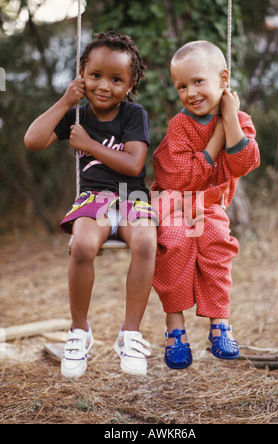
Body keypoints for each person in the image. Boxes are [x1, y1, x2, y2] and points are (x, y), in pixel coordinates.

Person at [24, 31, 158, 378]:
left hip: (132, 196)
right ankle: (78, 332)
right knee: (82, 245)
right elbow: (33, 140)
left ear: (129, 85)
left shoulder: (133, 114)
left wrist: (89, 145)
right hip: (94, 198)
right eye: (96, 75)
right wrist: (65, 103)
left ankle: (130, 334)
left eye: (116, 79)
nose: (104, 86)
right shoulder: (76, 115)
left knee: (146, 242)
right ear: (82, 74)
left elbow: (133, 165)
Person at [151, 40, 260, 369]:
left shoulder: (239, 119)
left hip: (209, 205)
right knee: (174, 245)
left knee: (217, 247)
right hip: (173, 201)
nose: (190, 92)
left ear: (223, 80)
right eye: (181, 86)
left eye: (198, 81)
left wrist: (229, 118)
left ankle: (219, 324)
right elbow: (184, 177)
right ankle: (175, 331)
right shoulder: (180, 126)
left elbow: (244, 162)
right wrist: (216, 139)